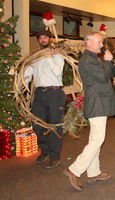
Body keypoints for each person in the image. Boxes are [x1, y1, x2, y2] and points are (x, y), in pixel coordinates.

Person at [64, 32, 115, 191]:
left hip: (100, 101)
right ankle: (74, 169)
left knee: (95, 138)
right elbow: (104, 77)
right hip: (96, 102)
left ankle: (93, 172)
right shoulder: (87, 60)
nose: (102, 45)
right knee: (97, 139)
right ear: (88, 43)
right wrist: (107, 62)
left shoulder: (94, 58)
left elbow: (111, 73)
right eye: (99, 42)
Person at [24, 30, 65, 169]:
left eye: (45, 37)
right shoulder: (35, 57)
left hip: (54, 93)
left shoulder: (58, 55)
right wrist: (22, 80)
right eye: (40, 38)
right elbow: (29, 73)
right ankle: (45, 150)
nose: (42, 40)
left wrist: (49, 57)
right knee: (37, 123)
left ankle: (55, 156)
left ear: (50, 39)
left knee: (55, 125)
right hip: (39, 94)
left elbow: (57, 72)